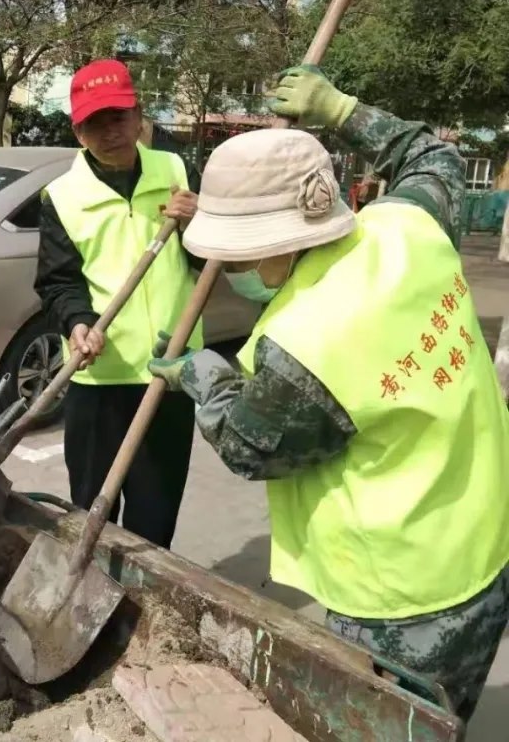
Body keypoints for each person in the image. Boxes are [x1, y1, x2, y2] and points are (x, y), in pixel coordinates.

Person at [147, 64, 509, 719]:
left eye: (238, 257)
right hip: (487, 541)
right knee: (449, 716)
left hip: (400, 599)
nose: (233, 271)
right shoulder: (407, 228)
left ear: (278, 244)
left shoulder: (306, 341)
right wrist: (339, 107)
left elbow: (249, 445)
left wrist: (200, 374)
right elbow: (429, 154)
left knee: (388, 725)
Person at [34, 59, 201, 548]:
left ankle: (144, 605)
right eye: (95, 122)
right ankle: (93, 598)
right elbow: (57, 282)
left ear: (139, 116)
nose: (110, 131)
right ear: (78, 130)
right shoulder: (62, 197)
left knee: (156, 512)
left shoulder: (176, 172)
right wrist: (78, 324)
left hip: (170, 372)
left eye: (119, 117)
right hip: (100, 379)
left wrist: (198, 221)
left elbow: (211, 259)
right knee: (90, 513)